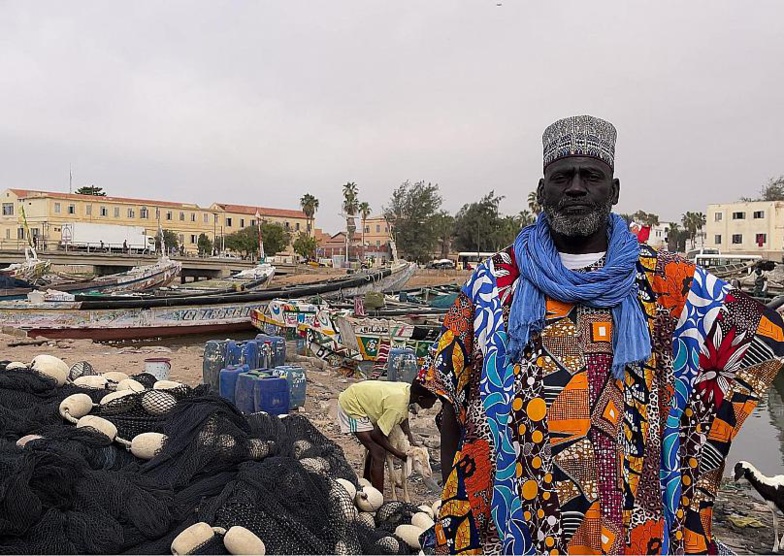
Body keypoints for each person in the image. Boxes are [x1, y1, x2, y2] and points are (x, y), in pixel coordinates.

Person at [418, 115, 784, 555]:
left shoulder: (671, 283)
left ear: (613, 190)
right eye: (562, 176)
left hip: (630, 523)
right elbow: (450, 405)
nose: (575, 187)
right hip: (520, 521)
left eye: (590, 176)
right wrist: (455, 505)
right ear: (542, 190)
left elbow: (758, 336)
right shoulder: (493, 282)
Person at [337, 379, 437, 492]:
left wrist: (411, 440)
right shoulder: (397, 406)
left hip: (360, 398)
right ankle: (378, 497)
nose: (433, 405)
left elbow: (403, 419)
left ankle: (367, 482)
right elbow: (376, 435)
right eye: (432, 401)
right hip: (352, 403)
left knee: (374, 449)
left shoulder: (408, 391)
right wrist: (398, 454)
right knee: (378, 452)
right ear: (421, 398)